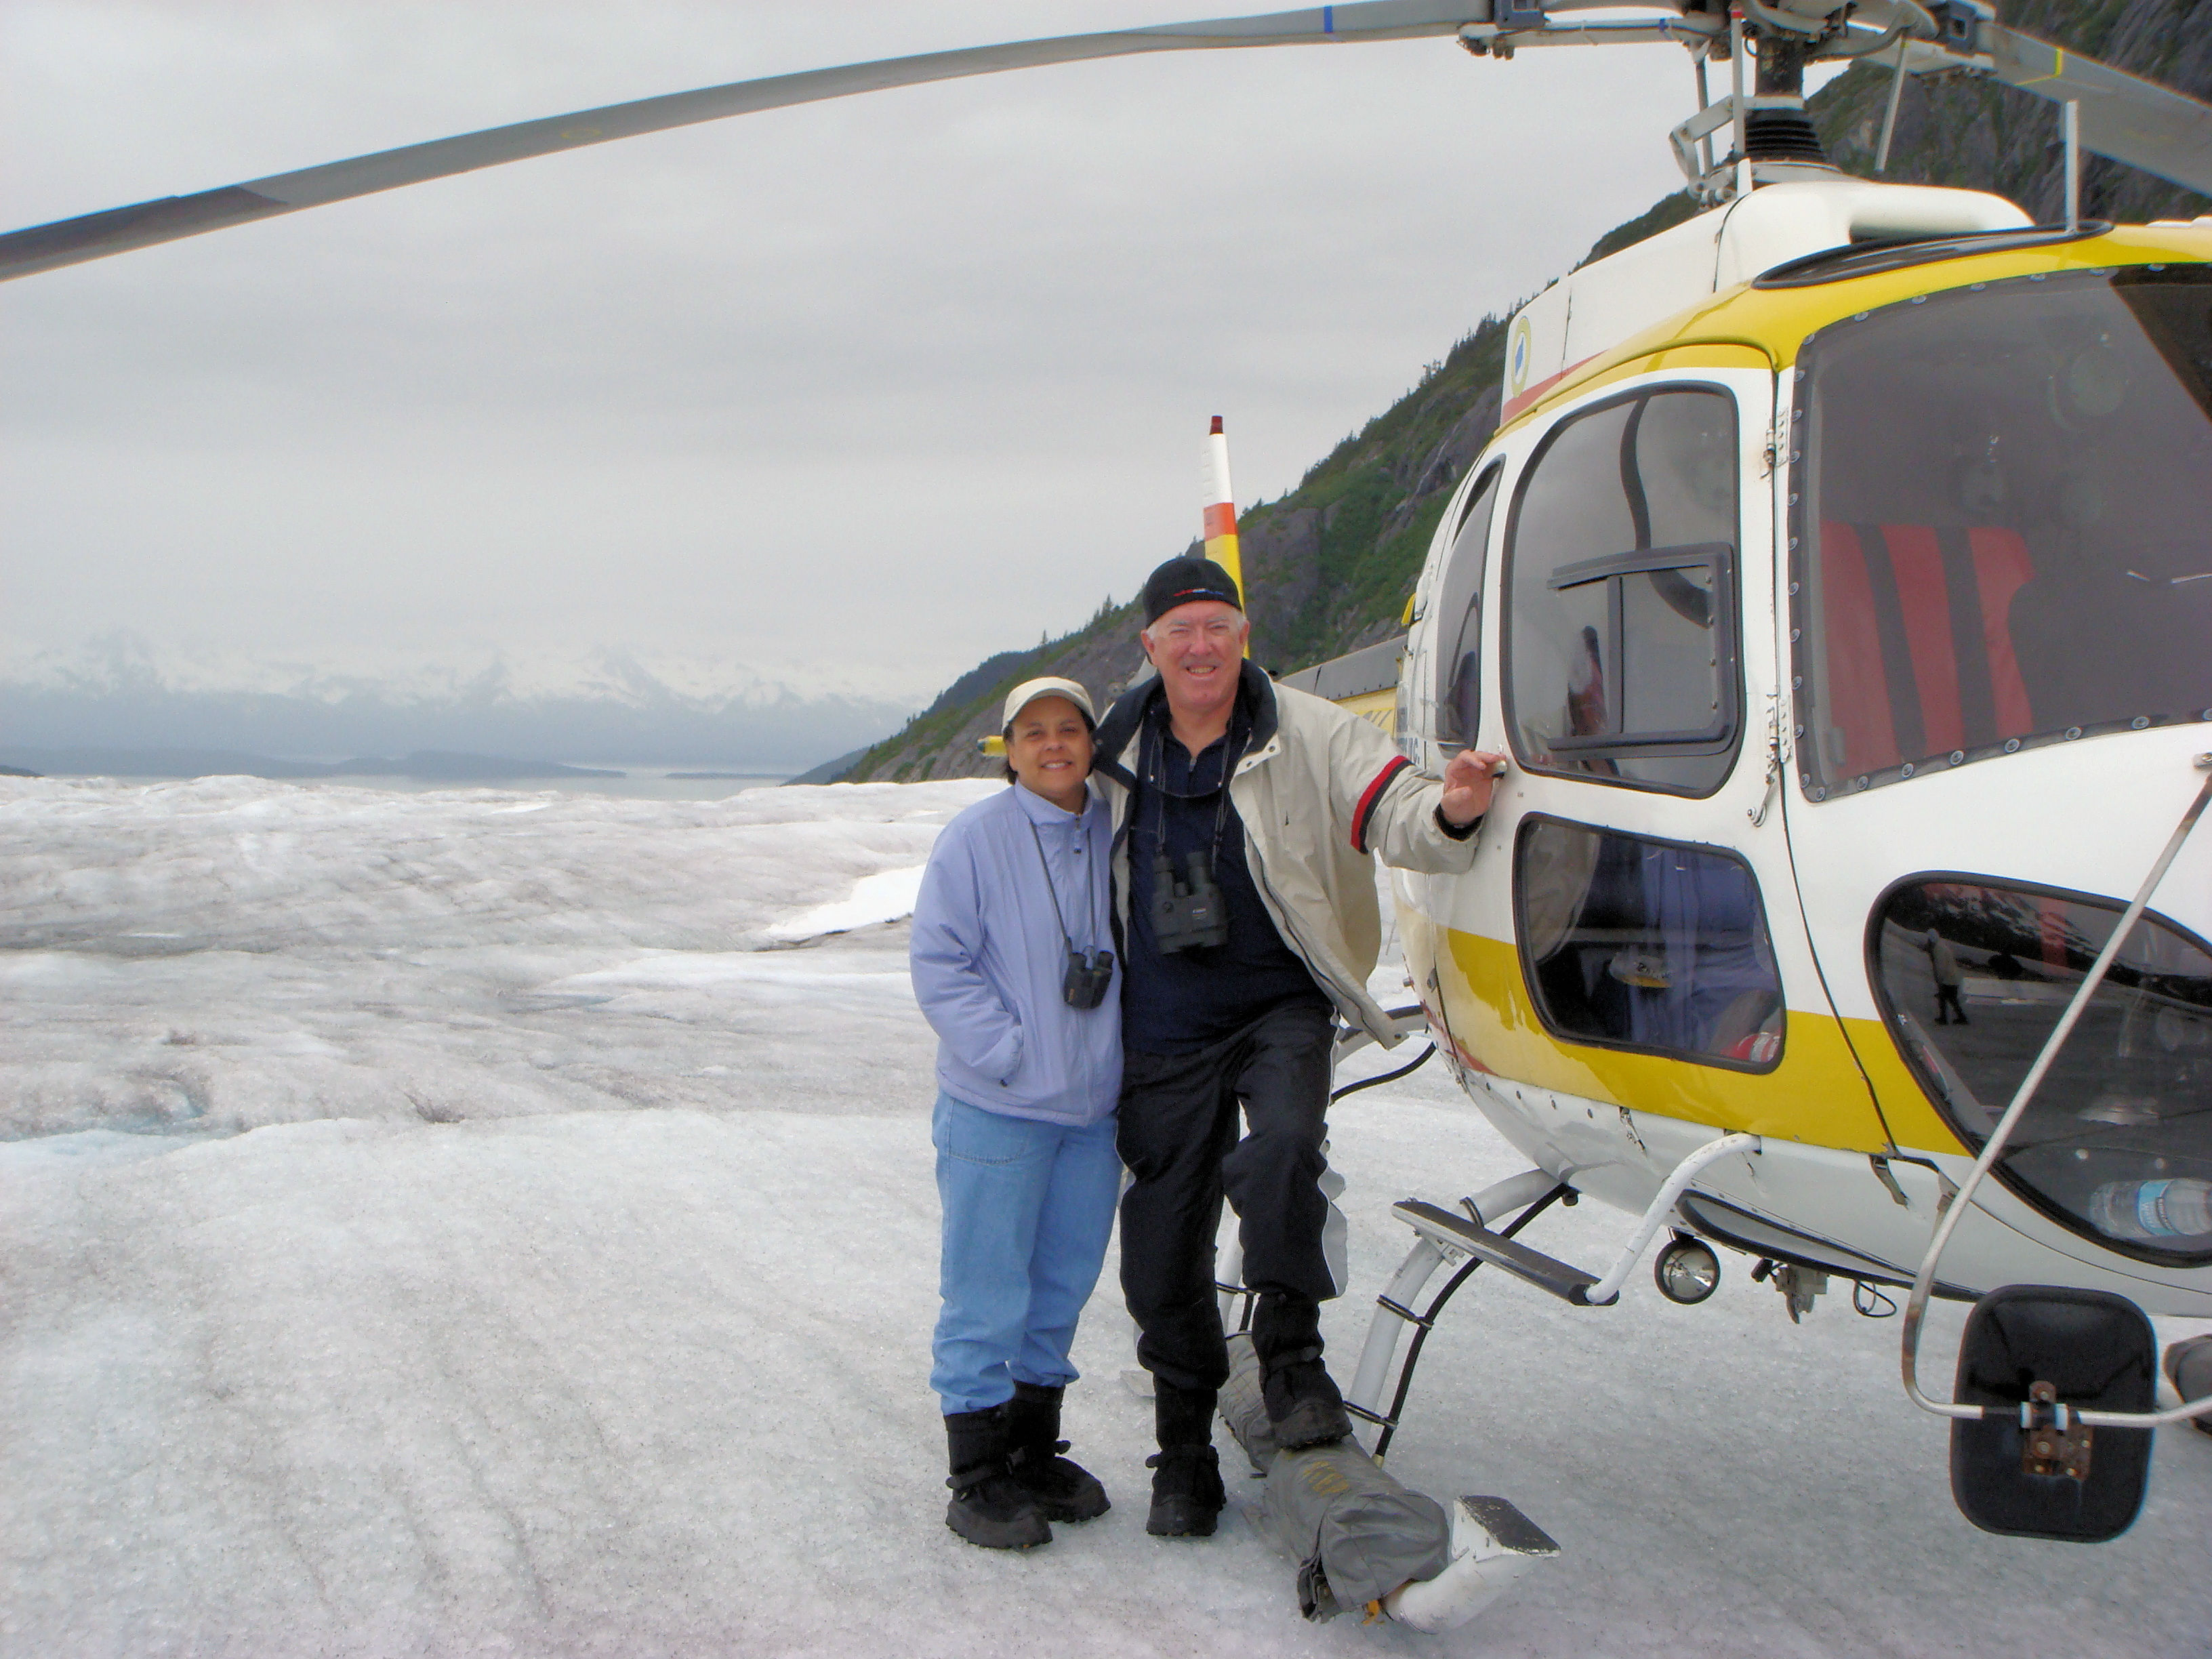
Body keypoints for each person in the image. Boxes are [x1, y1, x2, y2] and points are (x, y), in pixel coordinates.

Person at [1090, 556, 1506, 1538]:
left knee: (1280, 1155)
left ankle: (1290, 1353)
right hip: (1160, 1026)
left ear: (1244, 637)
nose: (1201, 647)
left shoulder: (1312, 733)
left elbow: (1394, 807)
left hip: (1279, 1003)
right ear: (1149, 647)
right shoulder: (1112, 752)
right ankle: (1182, 1447)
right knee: (1162, 1246)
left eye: (1218, 627)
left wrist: (1450, 809)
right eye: (1180, 631)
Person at [909, 677, 1126, 1550]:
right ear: (1009, 748)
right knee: (985, 1289)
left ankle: (1033, 1451)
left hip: (1093, 1113)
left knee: (1060, 1287)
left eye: (1068, 729)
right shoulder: (974, 839)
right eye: (1031, 733)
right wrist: (1008, 1053)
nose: (1053, 745)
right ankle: (975, 1476)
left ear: (1090, 741)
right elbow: (939, 962)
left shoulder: (1114, 826)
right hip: (998, 1108)